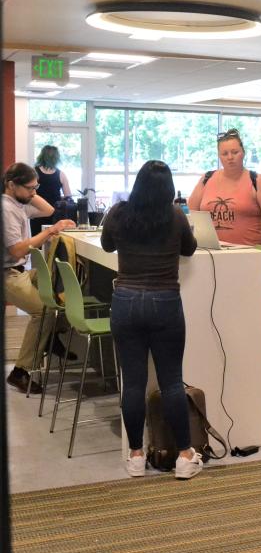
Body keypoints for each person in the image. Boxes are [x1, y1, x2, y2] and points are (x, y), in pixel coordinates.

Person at [100, 160, 203, 479]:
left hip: (126, 301)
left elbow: (106, 245)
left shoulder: (118, 212)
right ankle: (185, 457)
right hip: (165, 302)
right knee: (171, 381)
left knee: (133, 383)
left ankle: (135, 456)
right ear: (168, 189)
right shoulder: (175, 216)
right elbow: (190, 249)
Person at [3, 163, 77, 393]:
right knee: (42, 310)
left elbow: (47, 210)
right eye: (30, 188)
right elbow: (17, 251)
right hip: (8, 275)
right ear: (11, 185)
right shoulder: (5, 209)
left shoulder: (17, 203)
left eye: (36, 187)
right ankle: (21, 372)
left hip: (19, 272)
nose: (34, 193)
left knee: (59, 281)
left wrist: (30, 189)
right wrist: (50, 231)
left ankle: (51, 334)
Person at [187, 128, 261, 245]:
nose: (230, 157)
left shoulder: (257, 181)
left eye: (235, 152)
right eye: (225, 154)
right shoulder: (206, 179)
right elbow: (191, 215)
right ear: (219, 156)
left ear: (243, 153)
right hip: (212, 254)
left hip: (250, 254)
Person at [30, 145, 72, 236]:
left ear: (41, 156)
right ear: (57, 158)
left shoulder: (33, 172)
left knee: (37, 241)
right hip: (55, 215)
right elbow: (68, 196)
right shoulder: (61, 174)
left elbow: (29, 192)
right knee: (53, 242)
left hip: (37, 213)